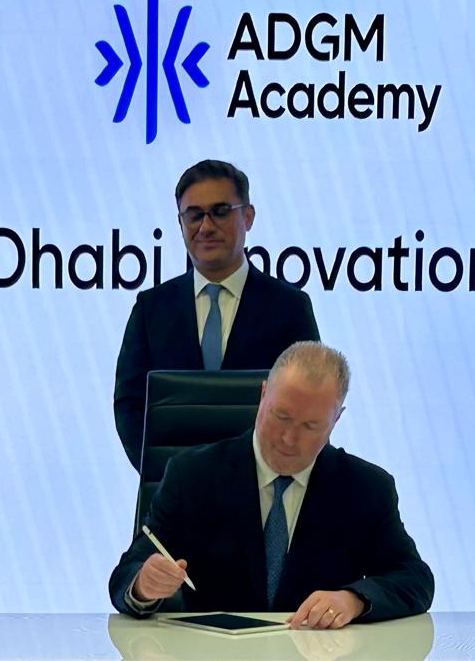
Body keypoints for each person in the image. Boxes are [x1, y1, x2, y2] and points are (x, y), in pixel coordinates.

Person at [109, 342, 433, 627]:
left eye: (310, 426)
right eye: (281, 416)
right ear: (264, 394)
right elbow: (127, 575)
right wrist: (143, 585)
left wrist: (354, 600)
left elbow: (414, 578)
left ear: (336, 419)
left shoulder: (366, 488)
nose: (289, 438)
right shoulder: (192, 475)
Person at [112, 160, 320, 470]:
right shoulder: (151, 308)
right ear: (180, 222)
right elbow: (129, 406)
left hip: (262, 491)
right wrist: (173, 479)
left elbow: (311, 403)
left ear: (248, 217)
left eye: (220, 211)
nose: (206, 226)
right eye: (194, 215)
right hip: (169, 491)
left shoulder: (290, 307)